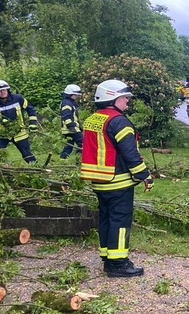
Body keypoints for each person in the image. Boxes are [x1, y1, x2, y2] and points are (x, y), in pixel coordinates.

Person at [80, 79, 153, 278]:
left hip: (98, 180)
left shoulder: (93, 119)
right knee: (120, 221)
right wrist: (145, 175)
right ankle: (119, 264)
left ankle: (107, 257)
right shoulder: (119, 122)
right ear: (112, 98)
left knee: (106, 219)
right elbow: (130, 153)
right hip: (118, 181)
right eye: (124, 98)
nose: (127, 102)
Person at [0, 80, 38, 163]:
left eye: (4, 90)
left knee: (27, 154)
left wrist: (33, 123)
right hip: (2, 135)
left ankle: (39, 169)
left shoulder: (18, 98)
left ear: (8, 90)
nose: (2, 92)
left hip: (20, 132)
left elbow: (31, 110)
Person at [59, 84, 83, 159]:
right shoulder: (67, 103)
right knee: (83, 144)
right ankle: (78, 159)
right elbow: (66, 116)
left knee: (69, 146)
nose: (76, 96)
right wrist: (71, 126)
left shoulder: (70, 102)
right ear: (70, 94)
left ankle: (63, 159)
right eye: (75, 95)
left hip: (70, 128)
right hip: (71, 128)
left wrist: (79, 126)